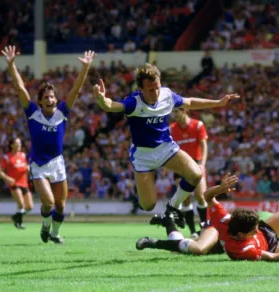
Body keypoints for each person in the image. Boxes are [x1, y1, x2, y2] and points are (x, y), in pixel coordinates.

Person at [93, 63, 239, 226]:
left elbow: (189, 102)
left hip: (166, 149)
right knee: (148, 205)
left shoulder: (166, 95)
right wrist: (101, 99)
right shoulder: (134, 102)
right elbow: (112, 106)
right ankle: (147, 195)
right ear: (141, 89)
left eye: (157, 87)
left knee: (196, 174)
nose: (155, 93)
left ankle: (172, 207)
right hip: (143, 156)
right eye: (150, 89)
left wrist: (219, 102)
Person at [2, 45, 95, 244]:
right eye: (46, 98)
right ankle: (45, 227)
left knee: (61, 206)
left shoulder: (62, 112)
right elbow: (20, 89)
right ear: (41, 102)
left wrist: (85, 68)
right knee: (49, 203)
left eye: (52, 96)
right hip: (39, 165)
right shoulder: (33, 113)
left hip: (57, 163)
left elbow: (76, 90)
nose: (51, 100)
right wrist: (11, 66)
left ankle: (53, 233)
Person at [137, 174, 279, 261]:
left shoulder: (224, 218)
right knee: (198, 249)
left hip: (233, 241)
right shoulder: (245, 249)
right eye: (254, 231)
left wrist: (219, 189)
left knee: (184, 247)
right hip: (230, 239)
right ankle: (154, 242)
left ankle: (168, 221)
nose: (257, 231)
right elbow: (272, 257)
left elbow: (207, 197)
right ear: (242, 234)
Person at [152, 107, 209, 238]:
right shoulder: (172, 128)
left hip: (196, 163)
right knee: (186, 198)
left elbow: (203, 145)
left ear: (185, 111)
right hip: (180, 165)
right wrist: (166, 165)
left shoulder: (198, 125)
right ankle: (193, 231)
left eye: (177, 111)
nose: (174, 114)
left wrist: (202, 164)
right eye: (173, 112)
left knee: (200, 195)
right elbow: (166, 147)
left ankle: (204, 225)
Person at [0, 137, 33, 229]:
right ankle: (19, 221)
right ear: (12, 145)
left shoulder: (23, 155)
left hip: (24, 183)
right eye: (17, 143)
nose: (19, 145)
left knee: (30, 206)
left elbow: (26, 166)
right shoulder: (7, 157)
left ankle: (16, 217)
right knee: (21, 204)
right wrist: (7, 178)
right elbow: (0, 171)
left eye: (20, 143)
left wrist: (28, 168)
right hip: (14, 183)